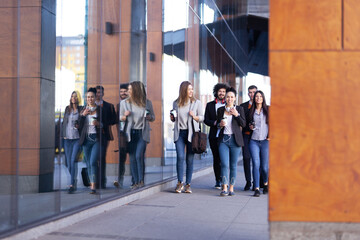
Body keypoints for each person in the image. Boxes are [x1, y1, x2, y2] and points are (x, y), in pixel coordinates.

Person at [170, 81, 204, 194]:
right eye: (189, 89)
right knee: (180, 157)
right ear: (183, 90)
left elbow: (202, 117)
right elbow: (174, 118)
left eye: (192, 89)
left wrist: (195, 116)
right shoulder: (176, 103)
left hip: (192, 134)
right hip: (179, 133)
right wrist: (172, 118)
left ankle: (188, 184)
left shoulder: (196, 103)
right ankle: (180, 182)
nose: (191, 91)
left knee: (189, 159)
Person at [120, 81, 155, 189]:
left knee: (138, 156)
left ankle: (141, 180)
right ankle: (135, 181)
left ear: (136, 91)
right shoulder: (124, 103)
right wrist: (124, 116)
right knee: (132, 158)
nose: (128, 92)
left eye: (130, 90)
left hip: (142, 133)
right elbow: (120, 118)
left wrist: (149, 117)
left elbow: (153, 117)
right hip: (130, 133)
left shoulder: (147, 103)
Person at [216, 87, 246, 196]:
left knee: (233, 165)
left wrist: (236, 114)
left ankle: (231, 188)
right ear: (225, 98)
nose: (229, 99)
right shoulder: (220, 110)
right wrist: (220, 124)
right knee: (224, 163)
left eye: (232, 97)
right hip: (223, 139)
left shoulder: (240, 109)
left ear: (235, 98)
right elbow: (218, 124)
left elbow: (243, 124)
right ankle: (224, 187)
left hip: (235, 140)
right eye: (228, 97)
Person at [79, 87, 104, 194]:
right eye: (88, 97)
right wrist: (83, 116)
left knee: (93, 161)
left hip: (96, 139)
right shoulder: (83, 110)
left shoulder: (100, 110)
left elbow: (105, 125)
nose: (90, 99)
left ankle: (93, 186)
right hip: (86, 139)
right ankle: (91, 183)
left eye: (92, 97)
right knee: (88, 163)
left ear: (95, 97)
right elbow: (78, 126)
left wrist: (99, 124)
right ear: (86, 98)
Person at [204, 83, 229, 189]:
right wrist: (215, 123)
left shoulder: (229, 104)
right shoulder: (210, 105)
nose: (222, 93)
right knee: (216, 158)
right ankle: (218, 180)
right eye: (220, 91)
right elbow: (206, 120)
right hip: (214, 135)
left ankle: (225, 180)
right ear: (216, 92)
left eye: (223, 91)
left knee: (224, 159)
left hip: (225, 135)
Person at [95, 86, 117, 189]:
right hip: (92, 136)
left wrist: (103, 123)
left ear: (103, 93)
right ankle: (95, 181)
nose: (98, 94)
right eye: (97, 92)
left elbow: (114, 120)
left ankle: (102, 181)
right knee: (94, 158)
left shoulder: (109, 106)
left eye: (100, 92)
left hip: (104, 135)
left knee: (102, 157)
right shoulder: (91, 106)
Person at [248, 90, 269, 197]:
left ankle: (265, 183)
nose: (258, 98)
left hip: (265, 141)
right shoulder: (251, 111)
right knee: (256, 164)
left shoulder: (268, 110)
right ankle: (256, 188)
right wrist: (250, 126)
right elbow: (247, 124)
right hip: (254, 141)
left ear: (263, 98)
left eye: (260, 96)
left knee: (264, 167)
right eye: (257, 96)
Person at [62, 91, 82, 194]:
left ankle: (71, 184)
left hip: (76, 138)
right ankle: (73, 179)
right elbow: (64, 124)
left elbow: (83, 122)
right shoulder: (67, 109)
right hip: (67, 139)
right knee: (69, 164)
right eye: (72, 96)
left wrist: (79, 125)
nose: (73, 98)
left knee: (73, 160)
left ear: (78, 98)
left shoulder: (81, 109)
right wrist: (62, 137)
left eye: (75, 96)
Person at [240, 85, 257, 191]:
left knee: (256, 160)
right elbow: (241, 121)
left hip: (257, 137)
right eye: (250, 92)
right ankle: (248, 182)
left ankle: (257, 182)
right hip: (246, 135)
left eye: (254, 92)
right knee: (246, 158)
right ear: (248, 93)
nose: (252, 94)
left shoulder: (261, 105)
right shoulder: (243, 106)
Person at [114, 83, 129, 188]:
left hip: (132, 133)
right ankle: (120, 180)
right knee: (121, 158)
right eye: (121, 91)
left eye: (125, 91)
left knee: (134, 157)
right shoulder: (118, 105)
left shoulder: (132, 104)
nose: (123, 93)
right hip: (122, 134)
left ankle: (136, 180)